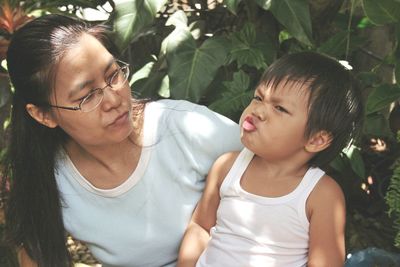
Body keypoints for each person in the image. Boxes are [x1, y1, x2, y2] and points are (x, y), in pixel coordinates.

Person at [3, 14, 242, 267]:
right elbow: (34, 253)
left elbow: (281, 167)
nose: (114, 100)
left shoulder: (185, 128)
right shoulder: (50, 177)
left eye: (113, 75)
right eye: (87, 96)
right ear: (42, 115)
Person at [177, 52, 364, 267]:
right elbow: (200, 227)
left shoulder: (321, 195)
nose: (258, 110)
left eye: (279, 108)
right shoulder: (227, 167)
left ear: (316, 139)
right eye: (258, 97)